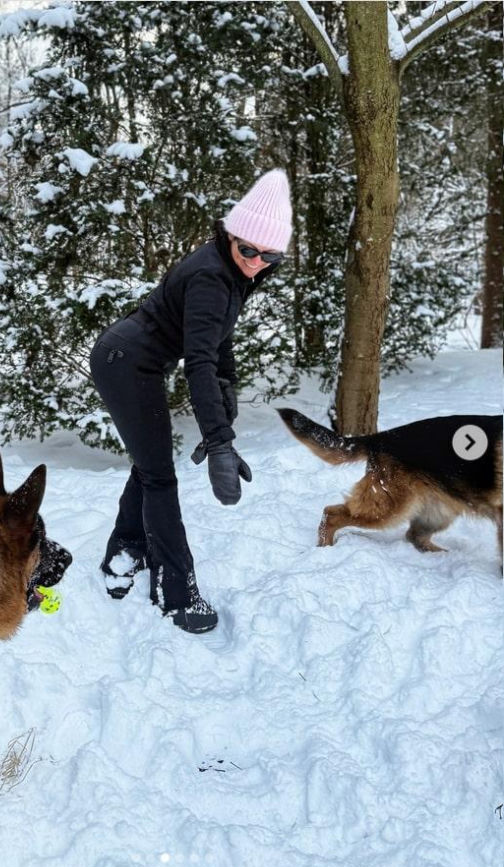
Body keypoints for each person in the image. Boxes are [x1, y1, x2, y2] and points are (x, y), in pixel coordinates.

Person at [90, 169, 292, 634]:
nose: (257, 261)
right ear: (232, 234)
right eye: (249, 249)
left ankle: (124, 553)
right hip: (126, 363)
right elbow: (197, 361)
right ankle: (176, 594)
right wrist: (219, 440)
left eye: (269, 254)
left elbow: (217, 339)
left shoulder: (230, 269)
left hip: (133, 359)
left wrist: (227, 391)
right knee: (160, 476)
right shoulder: (211, 278)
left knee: (150, 463)